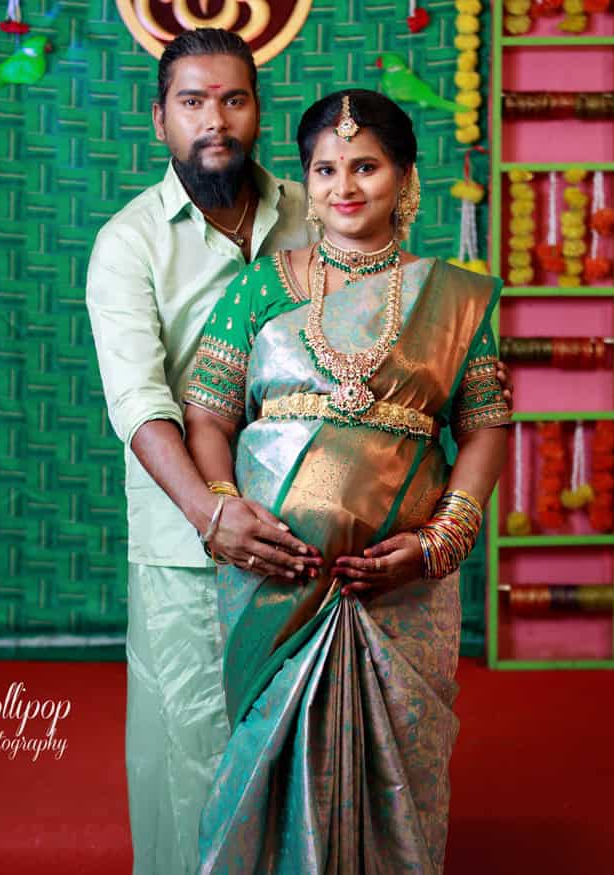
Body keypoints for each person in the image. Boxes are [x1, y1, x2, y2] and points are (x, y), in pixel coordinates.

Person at [183, 89, 510, 873]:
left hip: (400, 584)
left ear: (405, 177)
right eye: (324, 168)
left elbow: (486, 425)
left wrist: (442, 538)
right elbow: (207, 416)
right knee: (263, 750)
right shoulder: (263, 285)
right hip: (276, 576)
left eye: (365, 165)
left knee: (398, 759)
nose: (344, 185)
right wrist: (226, 514)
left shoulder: (453, 298)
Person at [85, 28, 324, 875]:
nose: (213, 121)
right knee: (191, 760)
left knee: (303, 752)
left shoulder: (313, 212)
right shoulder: (130, 244)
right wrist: (208, 511)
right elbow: (140, 402)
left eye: (232, 99)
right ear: (160, 120)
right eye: (192, 102)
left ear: (258, 110)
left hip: (310, 537)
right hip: (188, 542)